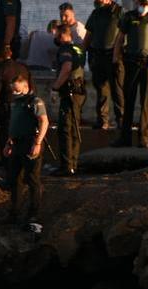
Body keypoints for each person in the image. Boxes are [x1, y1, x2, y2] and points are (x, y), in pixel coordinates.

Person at [111, 0, 148, 149]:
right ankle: (125, 138)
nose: (143, 5)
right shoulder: (129, 17)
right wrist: (115, 60)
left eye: (146, 2)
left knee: (145, 102)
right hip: (131, 63)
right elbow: (119, 39)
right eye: (141, 2)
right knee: (128, 100)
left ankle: (143, 138)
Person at [3, 70, 48, 228]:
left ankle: (33, 214)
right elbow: (13, 124)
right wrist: (9, 143)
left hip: (30, 143)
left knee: (32, 179)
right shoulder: (15, 102)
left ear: (25, 86)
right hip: (16, 144)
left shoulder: (35, 101)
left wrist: (37, 142)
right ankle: (14, 212)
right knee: (15, 180)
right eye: (12, 89)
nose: (14, 92)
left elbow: (44, 121)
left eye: (17, 89)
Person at [52, 24, 87, 176]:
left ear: (62, 35)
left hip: (69, 93)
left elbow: (66, 68)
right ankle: (73, 164)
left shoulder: (64, 49)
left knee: (65, 129)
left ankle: (67, 166)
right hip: (79, 92)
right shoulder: (78, 48)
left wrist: (55, 88)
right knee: (74, 129)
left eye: (56, 35)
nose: (55, 38)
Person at [84, 0, 124, 128]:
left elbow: (125, 33)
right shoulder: (96, 13)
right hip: (98, 56)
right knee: (101, 90)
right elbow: (88, 35)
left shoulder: (120, 12)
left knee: (117, 90)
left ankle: (121, 121)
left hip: (114, 56)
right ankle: (102, 121)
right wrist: (80, 53)